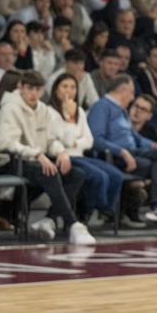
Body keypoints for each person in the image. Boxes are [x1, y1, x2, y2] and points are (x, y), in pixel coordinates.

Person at [0, 70, 95, 244]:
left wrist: (61, 152)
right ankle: (73, 224)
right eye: (30, 88)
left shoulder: (43, 110)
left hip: (34, 161)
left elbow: (50, 139)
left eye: (38, 89)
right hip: (9, 161)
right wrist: (37, 154)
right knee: (48, 171)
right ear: (21, 87)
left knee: (76, 174)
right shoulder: (10, 108)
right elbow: (7, 143)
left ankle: (48, 220)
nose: (34, 93)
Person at [87, 74, 157, 226]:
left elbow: (135, 137)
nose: (132, 96)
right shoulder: (102, 106)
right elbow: (96, 140)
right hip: (114, 157)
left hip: (132, 153)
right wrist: (121, 152)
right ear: (123, 90)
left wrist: (153, 145)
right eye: (132, 92)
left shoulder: (121, 110)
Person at [47, 72, 123, 223]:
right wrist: (68, 118)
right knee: (98, 176)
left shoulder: (80, 111)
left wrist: (77, 143)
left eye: (73, 87)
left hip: (80, 154)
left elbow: (88, 140)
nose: (69, 91)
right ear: (56, 89)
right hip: (62, 156)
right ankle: (87, 212)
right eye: (64, 86)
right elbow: (61, 141)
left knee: (115, 175)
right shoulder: (49, 111)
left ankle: (105, 209)